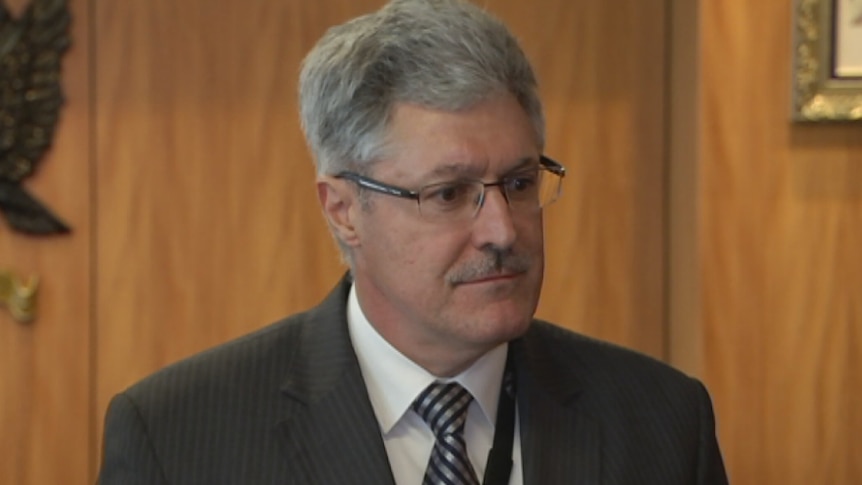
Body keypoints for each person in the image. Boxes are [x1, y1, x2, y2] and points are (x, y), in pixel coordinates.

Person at [97, 0, 729, 483]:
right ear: (344, 210)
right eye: (448, 194)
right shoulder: (177, 439)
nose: (503, 229)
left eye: (518, 182)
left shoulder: (663, 423)